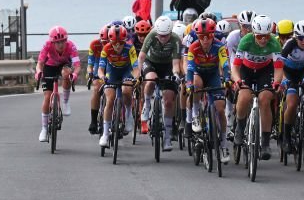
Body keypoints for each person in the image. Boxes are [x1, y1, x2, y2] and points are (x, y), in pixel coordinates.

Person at [231, 14, 282, 160]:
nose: (264, 40)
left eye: (266, 36)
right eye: (260, 37)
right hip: (246, 70)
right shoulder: (246, 41)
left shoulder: (274, 43)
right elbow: (235, 67)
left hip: (264, 71)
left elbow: (278, 68)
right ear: (254, 34)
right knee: (244, 96)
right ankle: (240, 128)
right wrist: (237, 80)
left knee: (265, 100)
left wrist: (277, 82)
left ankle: (265, 143)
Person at [185, 17, 231, 162]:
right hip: (198, 73)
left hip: (213, 76)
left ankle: (223, 145)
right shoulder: (193, 47)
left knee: (220, 109)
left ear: (213, 35)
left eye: (209, 36)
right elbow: (190, 68)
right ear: (197, 36)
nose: (205, 40)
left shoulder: (219, 47)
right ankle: (195, 115)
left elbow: (225, 65)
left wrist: (228, 79)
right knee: (196, 84)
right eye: (202, 37)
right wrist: (188, 84)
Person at [137, 16, 184, 151]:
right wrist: (140, 74)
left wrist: (175, 75)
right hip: (151, 63)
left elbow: (176, 63)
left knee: (169, 101)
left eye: (166, 36)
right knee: (151, 80)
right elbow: (141, 56)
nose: (163, 38)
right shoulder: (151, 35)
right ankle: (146, 106)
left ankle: (168, 137)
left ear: (170, 32)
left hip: (168, 66)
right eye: (160, 36)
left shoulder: (175, 39)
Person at [34, 26, 81, 143]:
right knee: (47, 97)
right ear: (52, 42)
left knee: (66, 74)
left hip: (64, 64)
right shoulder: (47, 45)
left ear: (66, 40)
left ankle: (65, 102)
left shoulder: (71, 46)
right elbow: (39, 63)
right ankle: (44, 129)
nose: (61, 45)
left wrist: (74, 74)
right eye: (57, 42)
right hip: (49, 66)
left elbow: (77, 65)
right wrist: (39, 72)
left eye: (63, 41)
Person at [97, 25, 140, 148]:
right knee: (110, 99)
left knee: (127, 90)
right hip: (112, 71)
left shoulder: (130, 48)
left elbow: (136, 68)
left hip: (126, 70)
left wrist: (137, 78)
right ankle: (105, 134)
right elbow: (100, 69)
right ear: (110, 41)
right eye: (115, 43)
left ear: (124, 41)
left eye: (120, 43)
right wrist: (102, 77)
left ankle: (128, 113)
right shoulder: (106, 48)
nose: (118, 46)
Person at [279, 19, 304, 153]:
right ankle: (287, 137)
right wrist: (283, 80)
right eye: (301, 38)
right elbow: (279, 65)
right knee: (292, 103)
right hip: (288, 73)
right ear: (296, 36)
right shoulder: (290, 44)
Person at [87, 24, 112, 134]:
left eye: (106, 42)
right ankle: (93, 121)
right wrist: (90, 73)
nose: (104, 44)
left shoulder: (116, 45)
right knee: (97, 88)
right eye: (102, 42)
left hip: (112, 68)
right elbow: (90, 63)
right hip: (99, 68)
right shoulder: (94, 44)